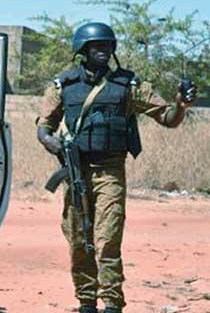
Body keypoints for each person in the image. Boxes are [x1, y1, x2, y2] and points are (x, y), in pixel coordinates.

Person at [36, 22, 196, 313]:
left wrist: (181, 104)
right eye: (97, 46)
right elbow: (44, 125)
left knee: (108, 240)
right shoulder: (64, 85)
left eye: (108, 46)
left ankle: (111, 303)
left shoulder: (128, 85)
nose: (104, 50)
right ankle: (86, 302)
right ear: (83, 50)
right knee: (78, 238)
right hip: (76, 172)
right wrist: (50, 141)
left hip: (110, 171)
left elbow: (169, 118)